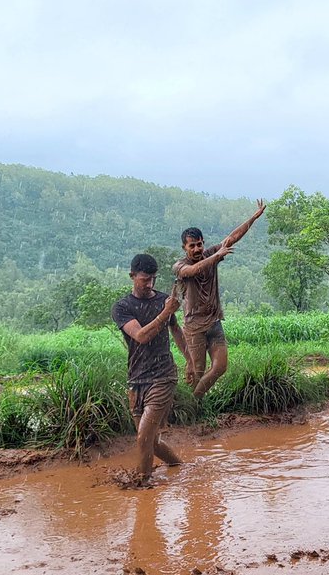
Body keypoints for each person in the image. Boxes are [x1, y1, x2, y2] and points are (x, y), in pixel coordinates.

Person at [173, 199, 266, 399]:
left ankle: (194, 401)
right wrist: (216, 256)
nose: (197, 249)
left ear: (203, 243)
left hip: (214, 323)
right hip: (194, 327)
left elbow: (232, 237)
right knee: (197, 372)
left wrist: (254, 217)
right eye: (192, 246)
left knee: (220, 367)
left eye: (199, 244)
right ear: (184, 247)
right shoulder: (180, 265)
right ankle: (191, 405)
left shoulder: (210, 253)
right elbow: (192, 271)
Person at [111, 253, 188, 483]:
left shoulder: (164, 300)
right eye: (145, 279)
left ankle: (142, 484)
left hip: (163, 376)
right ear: (132, 276)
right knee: (150, 441)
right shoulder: (122, 307)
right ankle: (179, 467)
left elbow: (176, 331)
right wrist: (166, 312)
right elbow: (141, 336)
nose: (150, 284)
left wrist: (191, 362)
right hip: (136, 379)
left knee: (144, 437)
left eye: (153, 279)